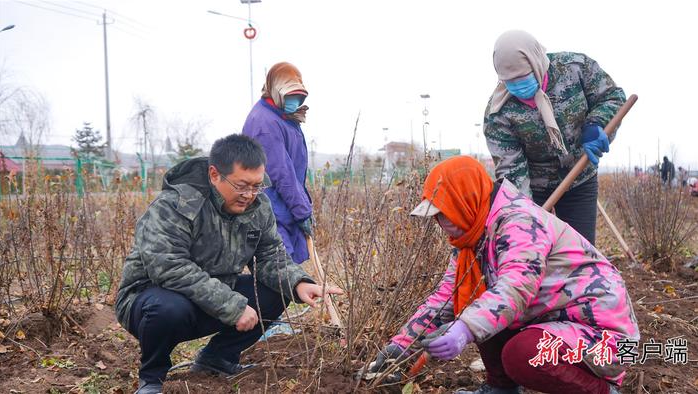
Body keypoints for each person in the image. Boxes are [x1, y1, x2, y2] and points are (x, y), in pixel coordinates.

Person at [368, 156, 639, 394]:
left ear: (466, 198)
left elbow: (515, 289)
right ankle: (501, 388)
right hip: (555, 320)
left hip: (603, 337)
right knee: (479, 305)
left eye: (444, 213)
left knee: (522, 353)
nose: (441, 223)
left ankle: (600, 390)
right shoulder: (472, 233)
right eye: (436, 216)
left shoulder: (519, 222)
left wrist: (464, 329)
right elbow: (448, 296)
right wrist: (401, 347)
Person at [115, 135, 342, 394]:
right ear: (214, 174)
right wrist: (232, 306)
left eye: (257, 186)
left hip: (214, 295)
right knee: (168, 308)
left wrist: (299, 283)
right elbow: (169, 268)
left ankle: (217, 359)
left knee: (277, 290)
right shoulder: (176, 205)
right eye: (242, 185)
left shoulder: (259, 206)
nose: (249, 195)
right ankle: (152, 379)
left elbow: (270, 255)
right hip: (149, 300)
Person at [483, 30, 626, 245]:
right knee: (538, 250)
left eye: (523, 77)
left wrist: (597, 125)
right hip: (537, 189)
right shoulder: (499, 113)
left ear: (536, 62)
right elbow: (512, 171)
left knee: (581, 249)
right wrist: (525, 213)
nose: (518, 85)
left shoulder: (575, 68)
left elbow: (612, 97)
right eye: (510, 81)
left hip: (580, 178)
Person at [243, 62, 313, 264]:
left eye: (298, 97)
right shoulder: (265, 123)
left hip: (283, 207)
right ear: (276, 91)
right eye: (290, 96)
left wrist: (303, 207)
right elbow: (282, 172)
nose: (295, 101)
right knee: (280, 270)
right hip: (270, 211)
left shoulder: (283, 117)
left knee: (288, 274)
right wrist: (302, 211)